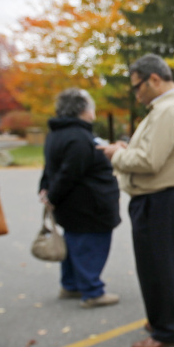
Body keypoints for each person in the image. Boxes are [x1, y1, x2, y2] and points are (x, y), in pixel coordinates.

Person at [100, 54, 174, 347]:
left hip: (156, 197)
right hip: (157, 197)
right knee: (155, 264)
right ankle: (160, 319)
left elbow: (149, 161)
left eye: (138, 86)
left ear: (154, 79)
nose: (136, 93)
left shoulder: (168, 110)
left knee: (156, 267)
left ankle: (166, 330)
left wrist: (115, 154)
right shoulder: (168, 107)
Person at [39, 88, 121, 308]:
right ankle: (92, 292)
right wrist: (53, 196)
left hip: (73, 206)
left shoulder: (57, 133)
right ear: (85, 110)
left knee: (74, 243)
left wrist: (46, 189)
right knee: (90, 246)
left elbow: (51, 166)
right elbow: (69, 173)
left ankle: (71, 284)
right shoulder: (78, 137)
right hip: (89, 205)